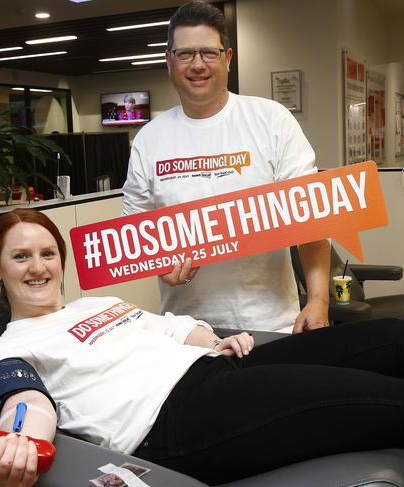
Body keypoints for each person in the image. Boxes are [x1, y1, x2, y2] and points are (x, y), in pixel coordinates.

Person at [0, 208, 404, 487]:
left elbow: (166, 326)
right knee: (390, 400)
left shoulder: (94, 305)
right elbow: (22, 400)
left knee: (392, 339)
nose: (38, 267)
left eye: (48, 253)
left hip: (217, 370)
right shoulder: (1, 350)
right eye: (21, 256)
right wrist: (21, 442)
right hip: (174, 422)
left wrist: (214, 338)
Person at [121, 2, 329, 334]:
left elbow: (313, 220)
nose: (198, 65)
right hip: (185, 334)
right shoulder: (148, 140)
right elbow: (135, 235)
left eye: (209, 53)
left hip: (270, 326)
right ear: (169, 60)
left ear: (228, 58)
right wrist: (159, 264)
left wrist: (318, 301)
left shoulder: (271, 120)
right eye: (186, 54)